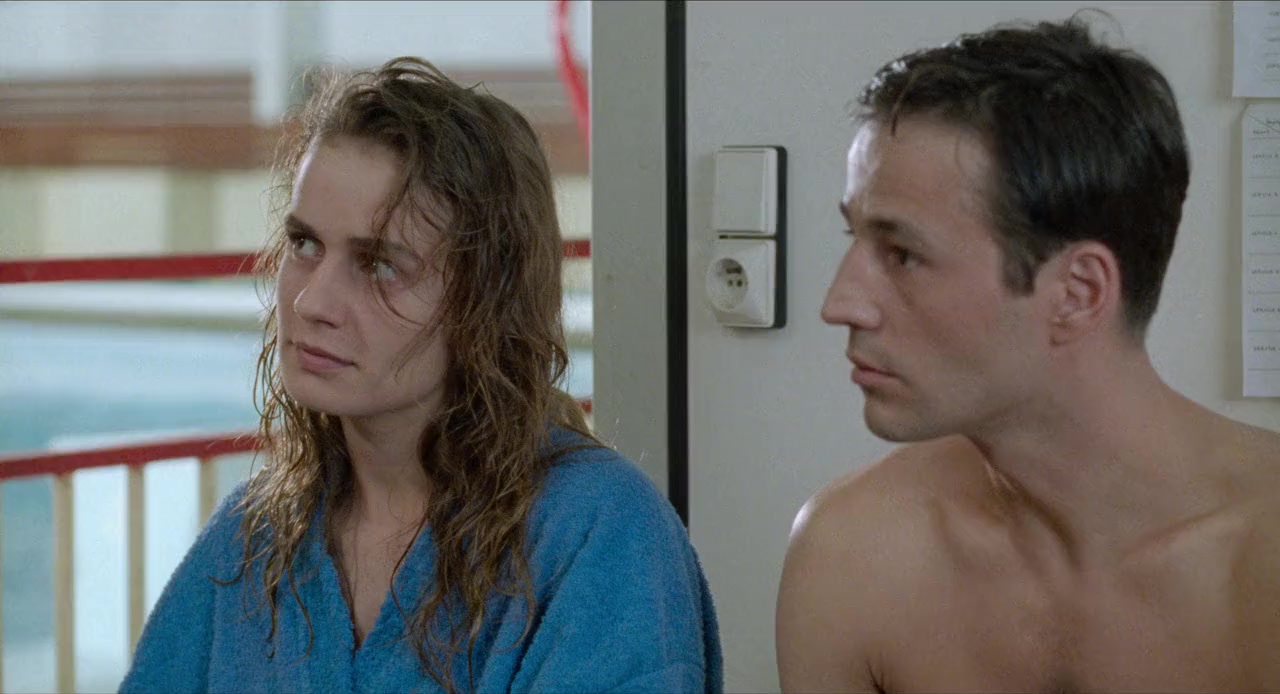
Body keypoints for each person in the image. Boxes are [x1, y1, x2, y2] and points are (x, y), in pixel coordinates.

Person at [121, 57, 721, 694]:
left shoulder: (599, 533)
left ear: (486, 301)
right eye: (305, 244)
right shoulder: (251, 540)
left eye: (379, 264)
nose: (310, 302)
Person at [776, 14, 1280, 693]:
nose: (841, 303)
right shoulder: (850, 555)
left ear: (1077, 292)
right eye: (855, 239)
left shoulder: (1264, 560)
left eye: (902, 253)